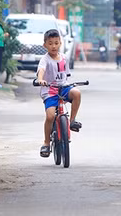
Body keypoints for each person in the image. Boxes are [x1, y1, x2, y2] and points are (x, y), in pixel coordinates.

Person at [37, 29, 82, 158]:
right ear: (45, 45)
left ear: (60, 43)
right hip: (50, 90)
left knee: (77, 93)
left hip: (63, 88)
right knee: (50, 116)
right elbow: (41, 70)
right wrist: (40, 80)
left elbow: (66, 76)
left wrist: (68, 84)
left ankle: (72, 121)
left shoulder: (64, 58)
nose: (53, 46)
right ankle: (46, 142)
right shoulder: (44, 59)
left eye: (56, 43)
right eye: (50, 43)